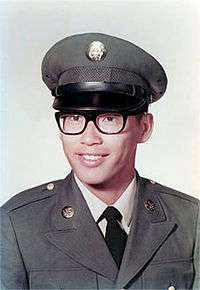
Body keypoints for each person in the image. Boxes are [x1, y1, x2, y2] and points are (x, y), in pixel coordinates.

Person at [1, 33, 199, 290]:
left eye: (109, 119)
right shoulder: (17, 225)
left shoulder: (189, 221)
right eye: (74, 118)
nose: (88, 138)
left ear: (144, 128)